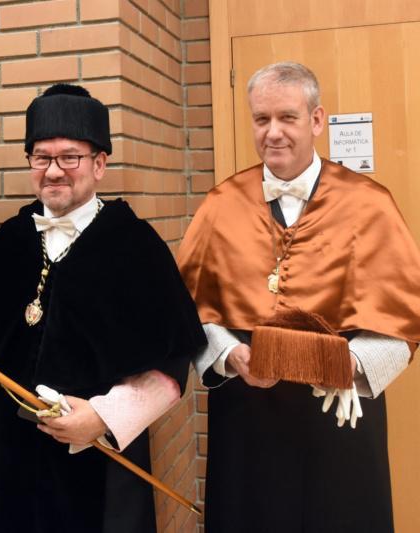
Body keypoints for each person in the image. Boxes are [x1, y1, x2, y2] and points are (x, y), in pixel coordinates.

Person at [178, 62, 420, 532]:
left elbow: (405, 321)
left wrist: (350, 365)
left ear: (316, 120)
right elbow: (188, 310)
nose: (273, 133)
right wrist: (230, 356)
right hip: (248, 419)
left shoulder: (371, 203)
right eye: (261, 119)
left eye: (287, 117)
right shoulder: (220, 204)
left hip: (340, 415)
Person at [0, 84, 207, 533]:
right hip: (10, 459)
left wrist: (103, 418)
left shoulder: (136, 246)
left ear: (99, 164)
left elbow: (173, 363)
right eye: (41, 157)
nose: (54, 171)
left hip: (101, 459)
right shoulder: (6, 244)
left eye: (69, 157)